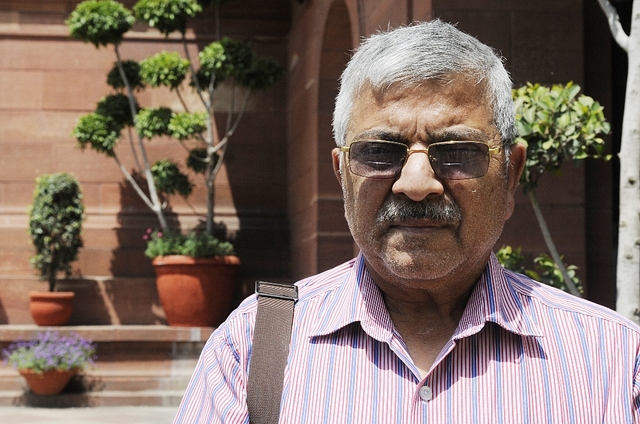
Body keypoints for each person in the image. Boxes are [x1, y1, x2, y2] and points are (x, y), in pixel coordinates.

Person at [174, 20, 640, 423]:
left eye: (458, 152)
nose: (417, 183)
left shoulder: (609, 359)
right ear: (341, 173)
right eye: (379, 152)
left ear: (511, 175)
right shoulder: (255, 346)